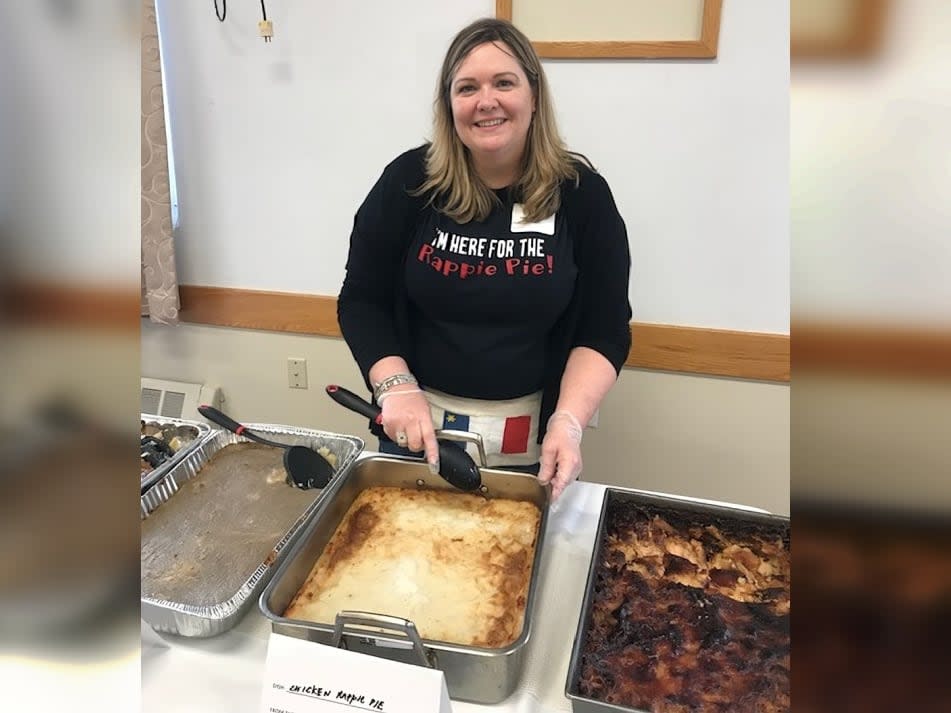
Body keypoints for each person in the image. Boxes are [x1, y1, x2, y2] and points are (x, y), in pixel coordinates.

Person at [337, 17, 631, 500]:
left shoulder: (582, 195)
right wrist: (394, 385)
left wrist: (570, 421)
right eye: (467, 87)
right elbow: (361, 299)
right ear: (449, 103)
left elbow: (605, 327)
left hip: (533, 443)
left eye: (504, 83)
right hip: (415, 432)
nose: (486, 101)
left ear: (534, 96)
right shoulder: (409, 182)